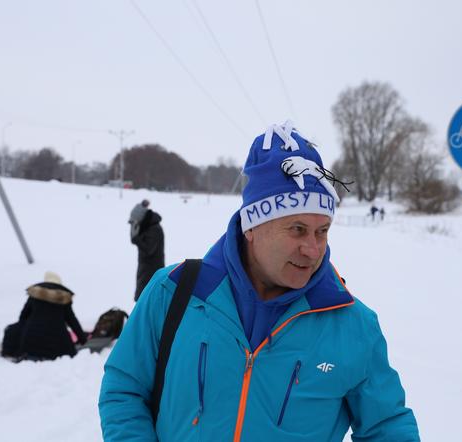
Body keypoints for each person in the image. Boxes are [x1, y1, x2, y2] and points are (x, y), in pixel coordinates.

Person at [99, 122, 419, 441]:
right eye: (297, 229)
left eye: (322, 231)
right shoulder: (173, 293)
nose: (312, 249)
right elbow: (124, 389)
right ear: (251, 227)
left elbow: (387, 427)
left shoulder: (353, 325)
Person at [1, 271, 87, 361]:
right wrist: (83, 340)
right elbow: (72, 321)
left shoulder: (35, 295)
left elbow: (23, 317)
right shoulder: (63, 298)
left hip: (30, 345)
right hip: (58, 348)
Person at [129, 199, 165, 301]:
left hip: (152, 272)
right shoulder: (146, 226)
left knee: (148, 299)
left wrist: (136, 239)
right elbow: (135, 240)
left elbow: (149, 250)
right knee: (142, 299)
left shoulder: (155, 229)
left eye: (136, 223)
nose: (135, 226)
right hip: (145, 270)